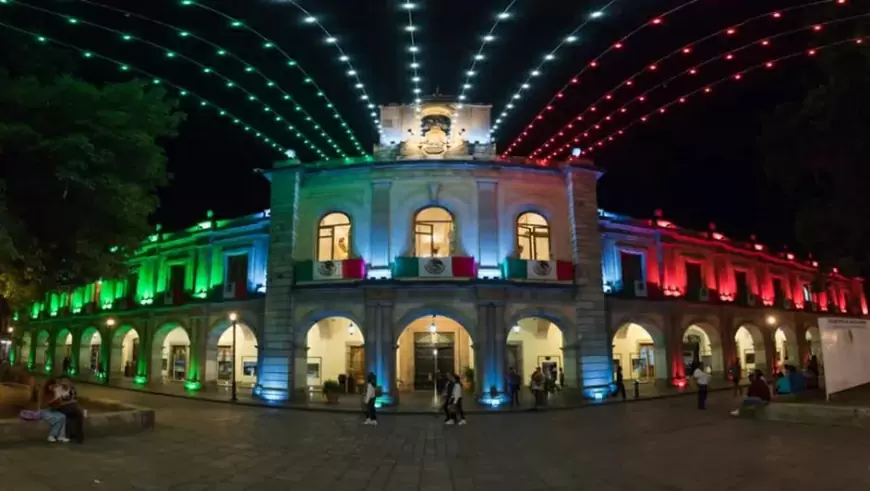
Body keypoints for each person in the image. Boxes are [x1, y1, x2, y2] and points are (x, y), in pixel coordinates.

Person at [55, 376, 84, 443]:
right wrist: (69, 401)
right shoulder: (58, 389)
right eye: (63, 381)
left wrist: (70, 401)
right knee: (69, 413)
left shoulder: (72, 389)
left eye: (67, 381)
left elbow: (75, 399)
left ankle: (79, 436)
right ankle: (68, 435)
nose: (65, 383)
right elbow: (59, 401)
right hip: (62, 407)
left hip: (72, 406)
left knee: (79, 415)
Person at [40, 379, 69, 443]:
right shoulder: (45, 393)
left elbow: (54, 406)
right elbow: (44, 405)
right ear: (49, 386)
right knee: (57, 419)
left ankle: (61, 436)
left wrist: (59, 400)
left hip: (51, 411)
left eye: (55, 386)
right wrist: (54, 399)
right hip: (44, 411)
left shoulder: (54, 392)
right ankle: (51, 436)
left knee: (62, 416)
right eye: (52, 386)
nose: (54, 387)